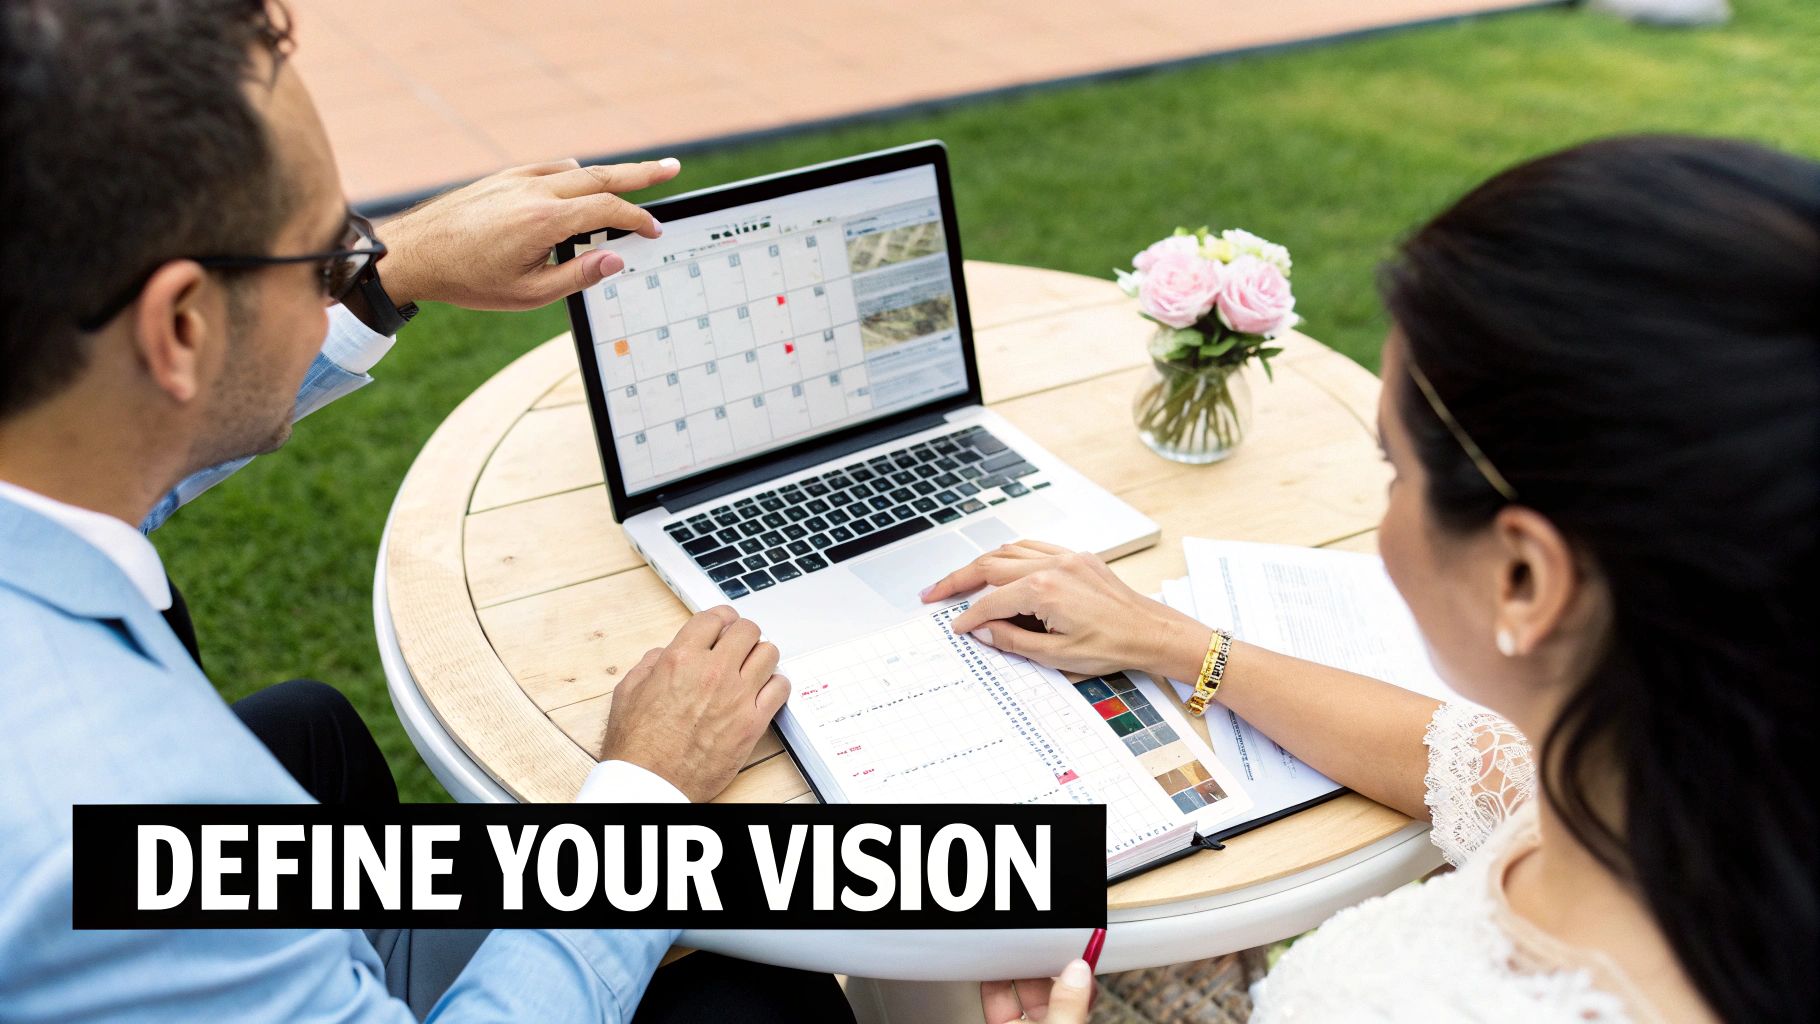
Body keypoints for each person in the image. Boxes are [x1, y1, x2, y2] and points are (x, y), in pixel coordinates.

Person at [0, 1, 854, 1020]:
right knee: (752, 991)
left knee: (310, 730)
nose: (355, 265)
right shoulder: (105, 810)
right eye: (327, 254)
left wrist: (385, 274)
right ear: (179, 327)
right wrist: (642, 801)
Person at [945, 135, 1817, 1022]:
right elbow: (1472, 766)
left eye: (1394, 469)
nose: (1385, 509)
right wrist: (1174, 641)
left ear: (1524, 577)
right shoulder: (1684, 774)